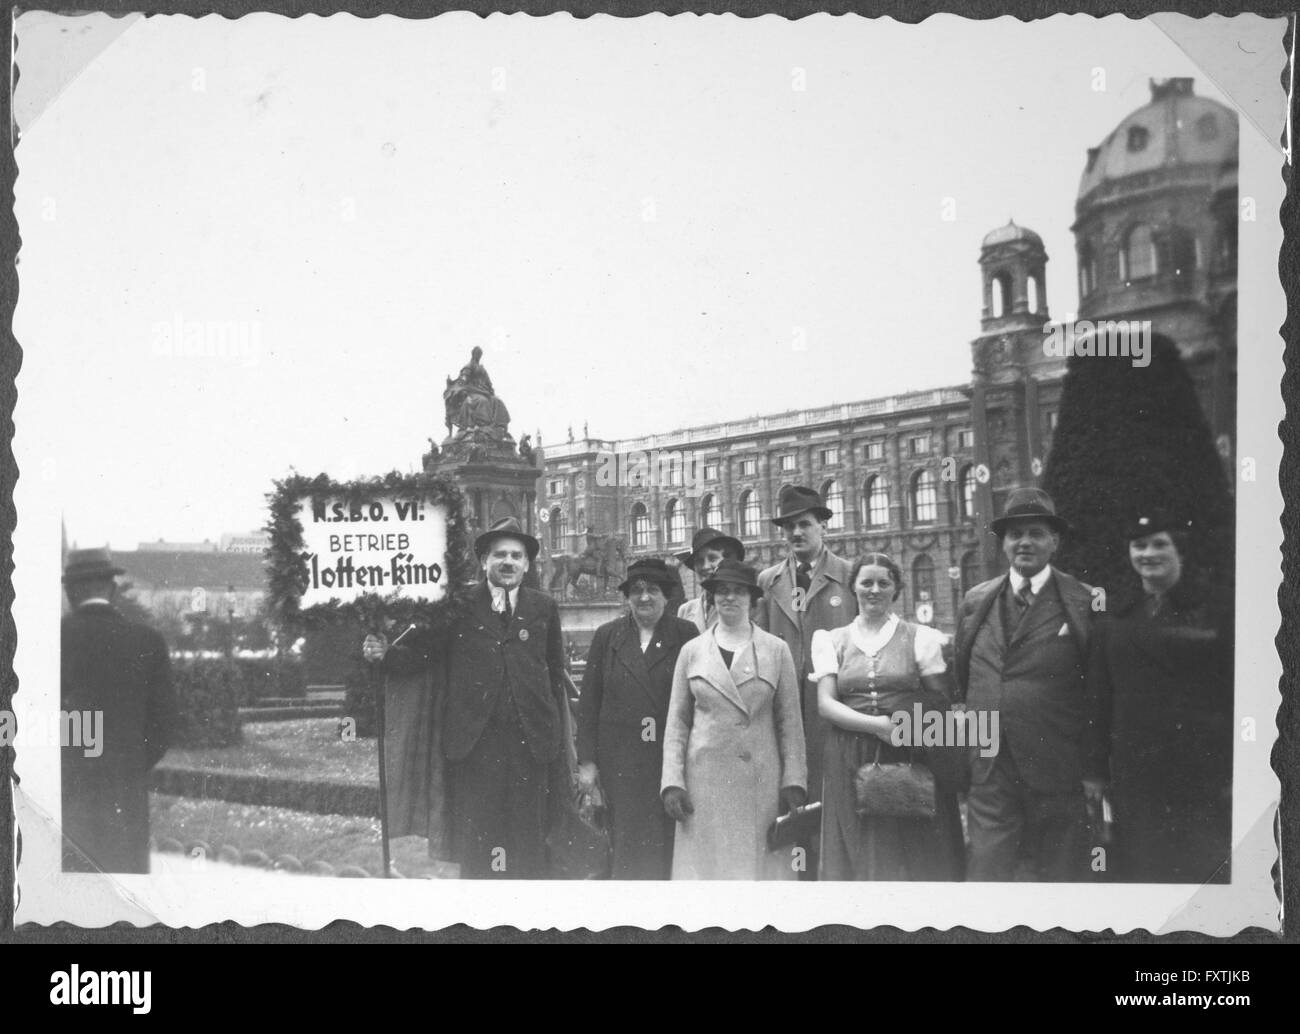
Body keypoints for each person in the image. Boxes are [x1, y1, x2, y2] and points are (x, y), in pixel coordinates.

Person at [363, 517, 567, 878]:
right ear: (484, 561)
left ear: (527, 564)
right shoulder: (458, 604)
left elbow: (553, 671)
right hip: (476, 745)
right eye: (499, 554)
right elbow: (425, 655)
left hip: (531, 744)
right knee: (480, 844)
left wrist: (554, 732)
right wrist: (386, 654)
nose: (508, 561)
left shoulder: (543, 607)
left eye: (516, 555)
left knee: (530, 845)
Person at [1084, 512, 1233, 883]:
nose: (1148, 553)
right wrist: (1096, 772)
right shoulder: (1114, 619)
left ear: (1179, 549)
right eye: (1139, 545)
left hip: (1200, 770)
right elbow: (1099, 700)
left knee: (1203, 870)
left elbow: (1233, 693)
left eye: (1159, 543)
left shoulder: (1216, 610)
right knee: (1146, 869)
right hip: (1137, 772)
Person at [955, 487, 1095, 882]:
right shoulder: (975, 600)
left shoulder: (1082, 602)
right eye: (1016, 534)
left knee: (1061, 885)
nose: (1025, 542)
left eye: (1036, 533)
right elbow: (963, 677)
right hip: (990, 769)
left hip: (1057, 769)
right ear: (1003, 543)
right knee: (986, 880)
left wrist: (1093, 767)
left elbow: (1097, 691)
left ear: (1055, 541)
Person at [812, 553, 965, 880]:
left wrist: (907, 725)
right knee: (860, 849)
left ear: (896, 589)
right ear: (853, 587)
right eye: (866, 582)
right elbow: (826, 704)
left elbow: (939, 702)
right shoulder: (831, 640)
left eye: (884, 583)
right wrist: (878, 726)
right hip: (848, 755)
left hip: (906, 754)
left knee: (913, 853)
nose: (874, 590)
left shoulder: (919, 637)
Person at [661, 560, 807, 880]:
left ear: (751, 600)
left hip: (760, 784)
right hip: (704, 784)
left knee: (757, 879)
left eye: (738, 591)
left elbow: (790, 724)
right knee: (706, 879)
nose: (729, 598)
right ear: (712, 598)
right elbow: (677, 723)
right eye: (722, 591)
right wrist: (672, 782)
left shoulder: (776, 650)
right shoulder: (692, 651)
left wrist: (794, 781)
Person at [756, 484, 857, 876]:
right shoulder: (768, 582)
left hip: (832, 712)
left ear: (822, 527)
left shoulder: (849, 576)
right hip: (785, 711)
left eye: (804, 525)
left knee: (833, 803)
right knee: (791, 801)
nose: (796, 534)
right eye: (789, 528)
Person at [576, 558, 698, 879]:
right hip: (620, 765)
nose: (644, 597)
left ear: (667, 596)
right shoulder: (608, 636)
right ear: (627, 596)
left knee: (667, 849)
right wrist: (587, 762)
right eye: (637, 590)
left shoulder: (686, 634)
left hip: (668, 763)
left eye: (653, 590)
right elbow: (589, 701)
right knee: (627, 850)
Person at [61, 547, 176, 873]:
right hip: (125, 800)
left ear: (70, 592)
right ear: (111, 589)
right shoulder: (148, 640)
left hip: (68, 799)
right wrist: (128, 764)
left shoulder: (53, 640)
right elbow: (165, 725)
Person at [675, 526, 745, 632]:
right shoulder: (686, 610)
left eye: (712, 558)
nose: (705, 566)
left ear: (729, 561)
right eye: (699, 561)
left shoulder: (748, 605)